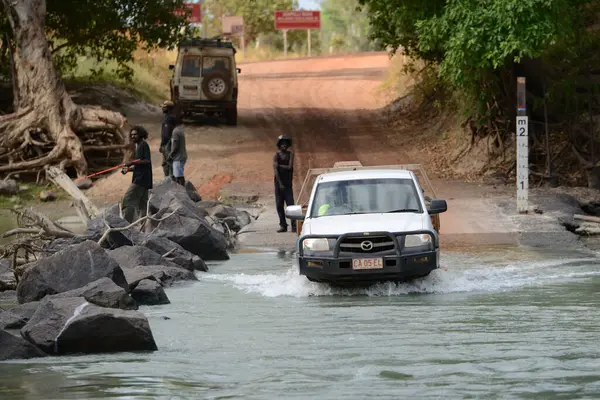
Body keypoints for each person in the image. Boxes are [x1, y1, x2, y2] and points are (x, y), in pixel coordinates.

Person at [121, 126, 153, 223]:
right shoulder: (138, 146)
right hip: (143, 180)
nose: (133, 136)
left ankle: (125, 224)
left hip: (141, 180)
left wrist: (132, 162)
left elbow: (147, 161)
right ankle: (143, 227)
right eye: (132, 135)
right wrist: (129, 169)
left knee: (126, 199)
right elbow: (140, 165)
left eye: (135, 134)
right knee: (142, 205)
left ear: (141, 135)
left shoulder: (143, 145)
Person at [273, 135, 296, 233]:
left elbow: (290, 167)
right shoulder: (276, 155)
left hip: (288, 183)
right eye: (282, 144)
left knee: (291, 205)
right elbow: (276, 171)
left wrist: (279, 165)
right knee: (279, 205)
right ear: (279, 145)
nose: (284, 145)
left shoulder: (291, 154)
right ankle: (283, 225)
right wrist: (280, 183)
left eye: (285, 144)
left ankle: (294, 226)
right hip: (279, 183)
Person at [168, 115, 187, 186]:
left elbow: (175, 146)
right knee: (179, 175)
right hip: (182, 156)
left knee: (179, 176)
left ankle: (181, 192)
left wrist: (170, 155)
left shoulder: (175, 132)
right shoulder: (180, 130)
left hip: (178, 157)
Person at [160, 100, 177, 178]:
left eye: (164, 107)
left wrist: (163, 145)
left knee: (168, 165)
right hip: (169, 144)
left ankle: (170, 182)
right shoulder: (170, 117)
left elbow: (167, 134)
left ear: (168, 108)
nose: (162, 108)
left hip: (168, 145)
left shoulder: (168, 119)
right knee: (167, 164)